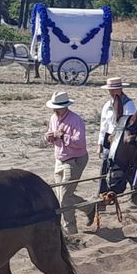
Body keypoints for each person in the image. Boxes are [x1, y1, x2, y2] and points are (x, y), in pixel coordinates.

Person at [91, 77, 137, 226]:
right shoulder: (107, 106)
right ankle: (103, 194)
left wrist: (116, 136)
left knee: (127, 167)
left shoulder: (129, 105)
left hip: (121, 140)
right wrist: (100, 143)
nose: (111, 92)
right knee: (105, 166)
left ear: (119, 89)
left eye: (113, 89)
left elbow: (128, 125)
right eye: (110, 90)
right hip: (109, 138)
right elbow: (103, 126)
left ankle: (134, 194)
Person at [44, 91, 89, 234]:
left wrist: (63, 136)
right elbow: (50, 134)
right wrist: (49, 137)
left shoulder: (76, 120)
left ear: (65, 107)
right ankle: (89, 207)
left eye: (57, 107)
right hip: (60, 158)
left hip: (74, 160)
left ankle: (70, 229)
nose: (55, 110)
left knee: (64, 197)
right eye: (54, 107)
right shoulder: (53, 118)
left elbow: (80, 143)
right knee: (62, 196)